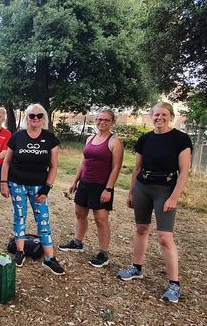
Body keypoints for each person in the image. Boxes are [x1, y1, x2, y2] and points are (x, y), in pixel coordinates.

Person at [117, 102, 192, 303]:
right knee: (141, 229)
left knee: (165, 237)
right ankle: (136, 267)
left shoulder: (180, 139)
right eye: (156, 114)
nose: (159, 118)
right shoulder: (144, 139)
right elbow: (137, 168)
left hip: (165, 189)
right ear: (151, 116)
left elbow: (184, 171)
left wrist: (174, 197)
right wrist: (131, 192)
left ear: (171, 116)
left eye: (164, 114)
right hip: (143, 187)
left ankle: (174, 284)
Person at [0, 103, 65, 275]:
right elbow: (6, 162)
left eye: (39, 116)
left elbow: (54, 167)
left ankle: (49, 258)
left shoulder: (50, 139)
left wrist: (46, 189)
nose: (35, 119)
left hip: (39, 186)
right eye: (32, 116)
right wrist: (3, 182)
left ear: (44, 118)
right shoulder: (17, 137)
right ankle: (20, 252)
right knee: (19, 216)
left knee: (42, 219)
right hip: (17, 183)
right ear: (27, 118)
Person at [59, 109, 124, 267]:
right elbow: (84, 162)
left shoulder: (115, 142)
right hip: (85, 183)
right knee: (80, 214)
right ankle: (77, 242)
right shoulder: (90, 139)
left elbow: (116, 167)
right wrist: (75, 181)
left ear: (112, 122)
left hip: (101, 185)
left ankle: (103, 253)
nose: (102, 122)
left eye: (106, 120)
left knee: (101, 220)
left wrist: (108, 189)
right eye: (99, 119)